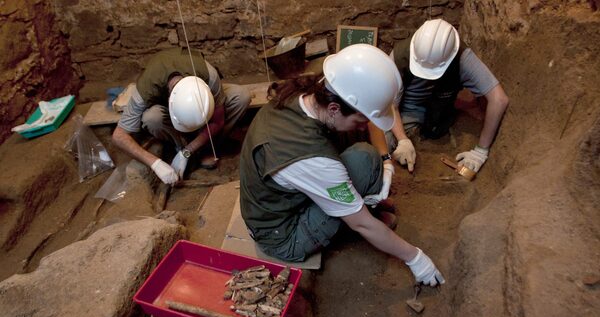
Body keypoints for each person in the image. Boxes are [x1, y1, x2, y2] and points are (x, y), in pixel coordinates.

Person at [239, 44, 445, 287]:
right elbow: (363, 224)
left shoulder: (306, 93)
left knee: (365, 157)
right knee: (364, 162)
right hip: (282, 235)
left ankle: (350, 205)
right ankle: (348, 213)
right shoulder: (313, 160)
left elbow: (358, 123)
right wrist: (415, 258)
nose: (364, 126)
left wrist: (387, 160)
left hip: (277, 201)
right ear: (335, 109)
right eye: (361, 120)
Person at [376, 18, 509, 173]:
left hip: (441, 105)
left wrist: (480, 151)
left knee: (435, 127)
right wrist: (403, 140)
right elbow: (391, 104)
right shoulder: (400, 55)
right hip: (407, 107)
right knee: (384, 141)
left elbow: (499, 99)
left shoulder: (463, 57)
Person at [112, 47, 251, 184]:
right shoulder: (145, 90)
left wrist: (187, 151)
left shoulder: (209, 75)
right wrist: (155, 163)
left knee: (241, 96)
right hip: (163, 106)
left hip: (205, 98)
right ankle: (179, 146)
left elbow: (217, 120)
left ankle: (205, 148)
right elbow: (119, 136)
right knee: (152, 118)